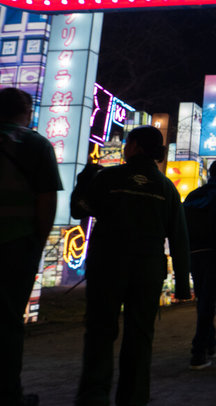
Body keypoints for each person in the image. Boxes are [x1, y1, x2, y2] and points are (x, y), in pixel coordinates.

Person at [72, 125, 190, 406]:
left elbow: (79, 209)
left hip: (107, 265)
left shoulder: (108, 178)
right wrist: (183, 284)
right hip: (147, 269)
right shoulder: (167, 188)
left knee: (100, 331)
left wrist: (87, 176)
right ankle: (133, 397)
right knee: (139, 334)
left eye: (127, 143)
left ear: (135, 146)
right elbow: (179, 238)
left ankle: (93, 397)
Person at [0, 88, 62, 406]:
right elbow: (47, 198)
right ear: (26, 110)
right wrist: (39, 241)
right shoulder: (36, 143)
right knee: (9, 321)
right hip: (16, 243)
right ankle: (8, 393)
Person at [183, 158, 216, 370]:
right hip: (215, 252)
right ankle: (199, 351)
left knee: (204, 300)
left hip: (194, 252)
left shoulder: (194, 194)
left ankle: (210, 342)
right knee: (208, 301)